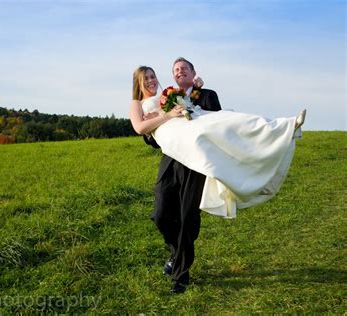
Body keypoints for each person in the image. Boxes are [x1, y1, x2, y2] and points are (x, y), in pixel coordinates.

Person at [129, 58, 306, 294]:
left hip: (199, 160)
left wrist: (197, 90)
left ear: (193, 72)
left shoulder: (206, 94)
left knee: (186, 216)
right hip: (173, 158)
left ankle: (181, 275)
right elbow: (147, 132)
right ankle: (176, 253)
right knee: (161, 212)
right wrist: (166, 117)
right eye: (175, 70)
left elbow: (221, 125)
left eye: (184, 69)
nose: (152, 80)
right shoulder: (168, 96)